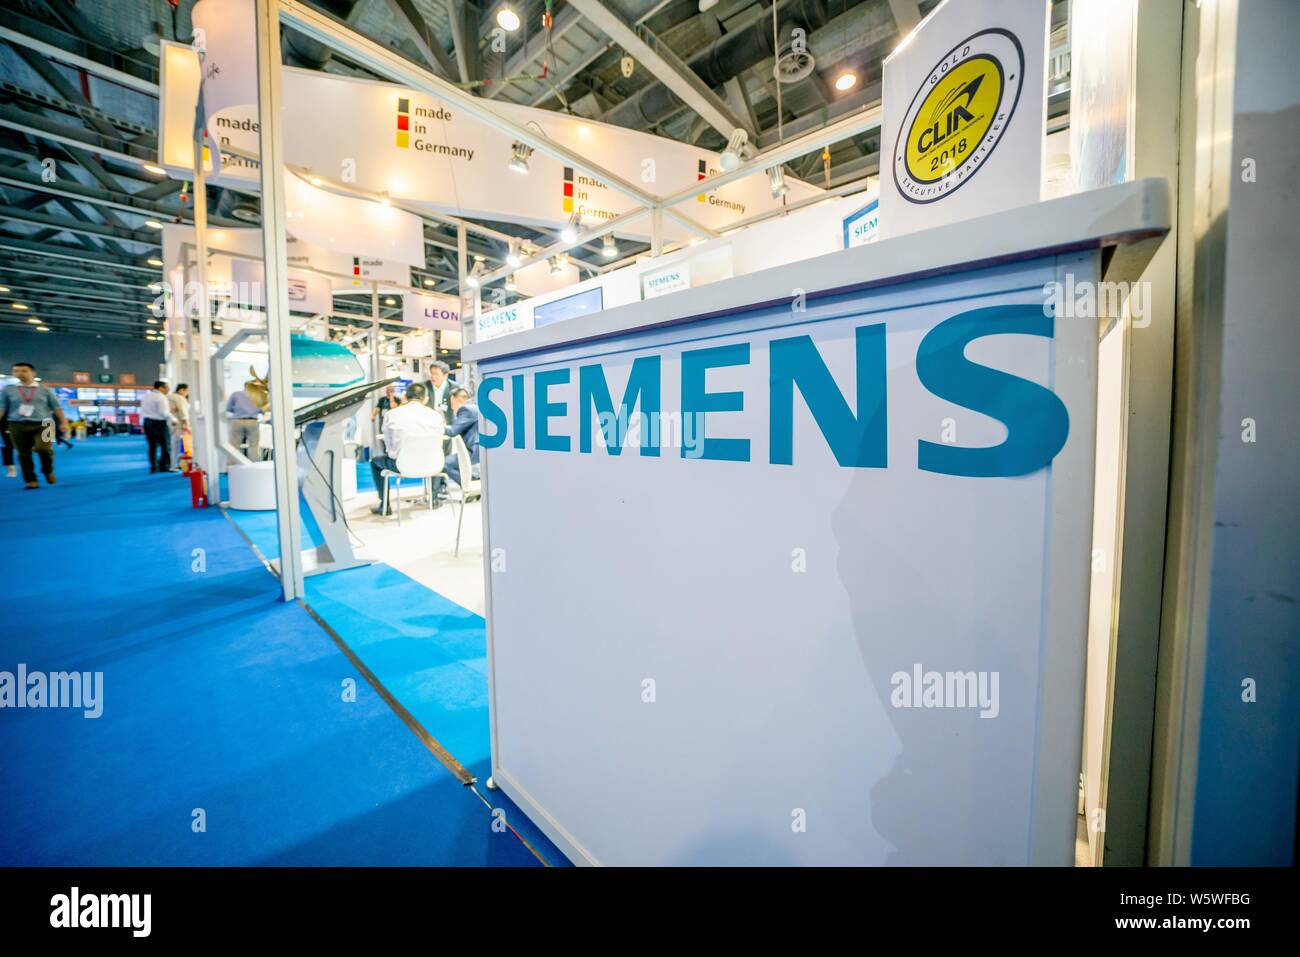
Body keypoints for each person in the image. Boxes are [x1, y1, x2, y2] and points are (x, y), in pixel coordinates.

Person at [368, 382, 443, 516]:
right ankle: (434, 498)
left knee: (375, 462)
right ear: (425, 398)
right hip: (432, 465)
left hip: (402, 465)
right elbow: (439, 441)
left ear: (405, 397)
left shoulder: (392, 414)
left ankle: (384, 505)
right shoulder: (436, 416)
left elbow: (389, 445)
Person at [2, 362, 68, 489]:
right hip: (16, 424)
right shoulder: (8, 390)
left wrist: (64, 423)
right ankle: (31, 480)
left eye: (24, 370)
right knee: (23, 453)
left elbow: (57, 407)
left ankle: (48, 471)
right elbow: (2, 407)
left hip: (45, 424)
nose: (20, 373)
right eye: (16, 371)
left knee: (44, 449)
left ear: (33, 373)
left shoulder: (45, 390)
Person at [443, 386, 480, 489]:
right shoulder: (475, 407)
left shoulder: (466, 409)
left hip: (474, 451)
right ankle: (473, 480)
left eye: (452, 403)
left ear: (457, 399)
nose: (451, 407)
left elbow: (452, 431)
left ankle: (468, 488)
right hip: (478, 449)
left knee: (445, 463)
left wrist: (439, 427)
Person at [140, 380, 174, 473]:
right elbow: (163, 412)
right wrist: (174, 419)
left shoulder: (146, 396)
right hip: (159, 423)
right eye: (167, 387)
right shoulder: (161, 397)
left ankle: (154, 467)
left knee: (152, 446)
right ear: (160, 388)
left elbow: (142, 410)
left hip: (147, 422)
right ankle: (164, 466)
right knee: (166, 446)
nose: (168, 389)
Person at [225, 380, 264, 460]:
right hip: (252, 421)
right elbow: (262, 410)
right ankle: (254, 467)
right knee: (253, 447)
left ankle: (232, 468)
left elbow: (228, 408)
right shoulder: (257, 396)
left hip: (237, 421)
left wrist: (238, 410)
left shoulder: (236, 394)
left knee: (234, 447)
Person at [168, 383, 190, 465]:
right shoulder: (180, 398)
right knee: (176, 444)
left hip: (168, 423)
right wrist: (186, 425)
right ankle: (174, 464)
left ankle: (169, 463)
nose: (187, 393)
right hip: (177, 423)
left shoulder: (168, 396)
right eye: (186, 391)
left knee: (170, 444)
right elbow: (183, 412)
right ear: (181, 390)